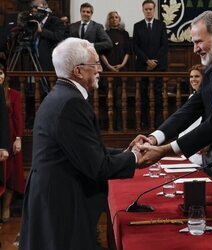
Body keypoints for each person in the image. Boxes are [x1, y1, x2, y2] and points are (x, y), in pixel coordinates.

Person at [19, 37, 147, 250]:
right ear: (78, 71)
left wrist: (125, 152)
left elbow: (84, 151)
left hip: (54, 195)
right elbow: (96, 166)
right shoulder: (71, 103)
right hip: (61, 202)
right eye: (95, 64)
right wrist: (135, 158)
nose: (100, 70)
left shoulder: (62, 95)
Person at [135, 11, 212, 206]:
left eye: (198, 42)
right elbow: (189, 110)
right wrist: (154, 138)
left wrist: (164, 151)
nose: (194, 49)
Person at [133, 0, 168, 129]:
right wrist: (147, 61)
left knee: (158, 95)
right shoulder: (137, 26)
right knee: (142, 96)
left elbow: (164, 45)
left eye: (150, 9)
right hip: (142, 66)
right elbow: (135, 46)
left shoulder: (161, 25)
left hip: (158, 67)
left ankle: (158, 122)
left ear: (154, 10)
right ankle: (144, 122)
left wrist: (154, 62)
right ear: (143, 11)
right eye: (146, 9)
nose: (148, 11)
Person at [0, 63, 25, 222]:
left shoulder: (13, 94)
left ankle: (6, 208)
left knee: (10, 175)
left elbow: (18, 118)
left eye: (1, 72)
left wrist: (18, 138)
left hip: (9, 139)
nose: (0, 76)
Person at [100, 11, 131, 130]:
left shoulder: (124, 34)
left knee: (119, 99)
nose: (114, 19)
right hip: (108, 70)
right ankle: (109, 125)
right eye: (112, 18)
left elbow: (128, 51)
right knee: (109, 99)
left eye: (116, 17)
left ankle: (120, 125)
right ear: (109, 20)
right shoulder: (104, 33)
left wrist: (122, 65)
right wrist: (108, 66)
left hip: (121, 70)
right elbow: (101, 53)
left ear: (119, 19)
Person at [178, 64, 204, 165]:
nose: (193, 79)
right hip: (190, 150)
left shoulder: (208, 97)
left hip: (200, 149)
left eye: (197, 76)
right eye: (191, 77)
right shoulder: (192, 96)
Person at [29, 0, 65, 71]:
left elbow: (58, 36)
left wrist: (42, 31)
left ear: (44, 7)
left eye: (36, 7)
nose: (34, 10)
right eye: (33, 8)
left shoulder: (55, 21)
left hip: (49, 59)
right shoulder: (34, 22)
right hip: (34, 58)